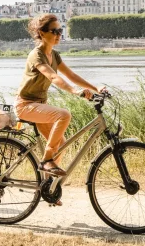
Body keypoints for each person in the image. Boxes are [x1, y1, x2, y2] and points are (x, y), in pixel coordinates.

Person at [15, 13, 105, 180]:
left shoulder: (54, 55)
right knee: (63, 115)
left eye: (60, 30)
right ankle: (47, 159)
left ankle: (47, 185)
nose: (58, 35)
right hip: (25, 106)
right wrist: (75, 91)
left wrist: (96, 88)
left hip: (39, 105)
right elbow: (53, 77)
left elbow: (70, 74)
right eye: (54, 31)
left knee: (61, 144)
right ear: (42, 33)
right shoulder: (37, 55)